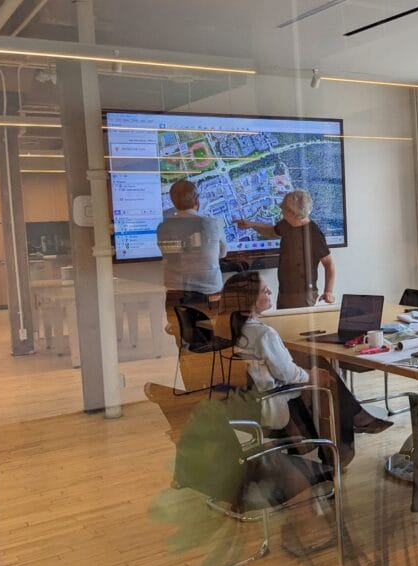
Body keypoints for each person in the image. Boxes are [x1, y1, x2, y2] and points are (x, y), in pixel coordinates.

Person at [221, 272, 392, 467]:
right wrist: (312, 375)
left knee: (315, 362)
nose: (270, 291)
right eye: (263, 290)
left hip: (250, 401)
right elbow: (287, 374)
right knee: (328, 384)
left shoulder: (234, 330)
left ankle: (355, 418)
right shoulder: (263, 334)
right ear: (249, 299)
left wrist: (310, 372)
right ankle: (337, 455)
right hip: (276, 404)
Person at [235, 190, 336, 309]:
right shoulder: (287, 223)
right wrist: (251, 224)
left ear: (292, 212)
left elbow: (329, 264)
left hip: (303, 296)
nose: (280, 208)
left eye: (283, 206)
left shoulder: (314, 234)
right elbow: (272, 231)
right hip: (284, 293)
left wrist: (328, 291)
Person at [156, 179, 228, 307]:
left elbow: (170, 255)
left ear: (173, 202)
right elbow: (222, 254)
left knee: (179, 324)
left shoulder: (163, 227)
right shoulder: (211, 224)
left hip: (175, 290)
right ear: (197, 200)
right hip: (209, 290)